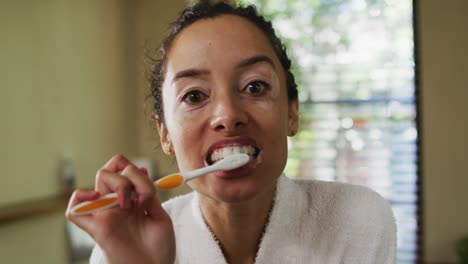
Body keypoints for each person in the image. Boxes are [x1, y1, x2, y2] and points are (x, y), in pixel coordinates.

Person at [66, 2, 396, 264]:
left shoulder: (357, 220)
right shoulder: (123, 247)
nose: (228, 115)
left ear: (292, 113)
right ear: (165, 132)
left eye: (255, 86)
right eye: (194, 96)